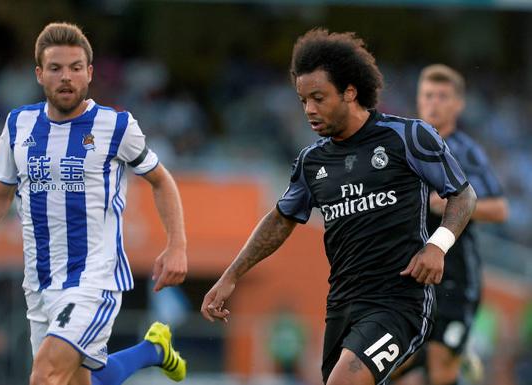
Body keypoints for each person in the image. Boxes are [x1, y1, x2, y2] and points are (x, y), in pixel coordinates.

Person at [201, 28, 478, 385]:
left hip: (399, 302)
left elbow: (463, 195)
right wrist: (231, 276)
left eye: (318, 97)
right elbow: (280, 220)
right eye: (303, 101)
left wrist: (437, 246)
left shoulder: (406, 137)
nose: (309, 110)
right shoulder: (311, 162)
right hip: (343, 304)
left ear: (350, 91)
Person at [0, 22, 188, 385]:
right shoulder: (19, 124)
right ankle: (154, 350)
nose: (66, 77)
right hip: (39, 282)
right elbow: (0, 194)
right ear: (39, 74)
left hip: (93, 278)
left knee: (45, 376)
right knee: (72, 379)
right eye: (55, 68)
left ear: (90, 72)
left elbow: (161, 179)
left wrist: (176, 244)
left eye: (75, 67)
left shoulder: (114, 126)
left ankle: (152, 350)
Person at [392, 64, 508, 385]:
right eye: (428, 95)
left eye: (443, 96)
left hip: (455, 276)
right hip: (411, 274)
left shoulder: (465, 151)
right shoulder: (403, 145)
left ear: (459, 104)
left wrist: (453, 204)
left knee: (441, 370)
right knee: (391, 364)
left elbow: (499, 209)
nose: (434, 103)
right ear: (418, 99)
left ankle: (449, 360)